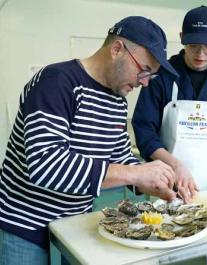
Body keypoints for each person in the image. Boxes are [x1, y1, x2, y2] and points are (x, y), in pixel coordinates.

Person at [0, 16, 179, 264]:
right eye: (144, 70)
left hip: (72, 228)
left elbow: (120, 157)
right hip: (26, 231)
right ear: (117, 49)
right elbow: (45, 164)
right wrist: (135, 175)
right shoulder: (57, 82)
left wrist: (154, 179)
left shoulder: (117, 101)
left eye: (152, 75)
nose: (146, 82)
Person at [132, 5, 207, 203]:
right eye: (193, 45)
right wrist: (176, 166)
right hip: (169, 187)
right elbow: (145, 132)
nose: (200, 54)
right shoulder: (162, 76)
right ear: (181, 37)